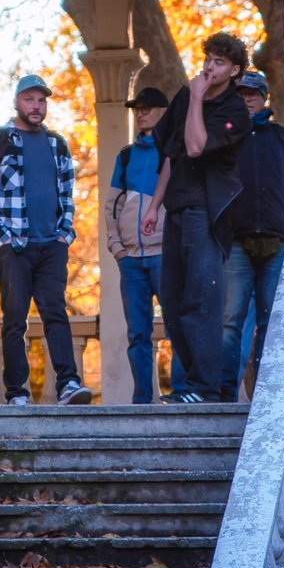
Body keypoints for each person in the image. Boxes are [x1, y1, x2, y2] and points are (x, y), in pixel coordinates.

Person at [142, 32, 251, 404]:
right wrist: (154, 206)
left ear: (234, 71)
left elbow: (194, 145)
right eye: (208, 59)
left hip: (206, 212)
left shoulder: (235, 111)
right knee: (173, 303)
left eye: (219, 62)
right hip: (176, 209)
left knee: (201, 301)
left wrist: (195, 100)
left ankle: (204, 388)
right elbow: (173, 155)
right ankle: (191, 385)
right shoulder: (186, 96)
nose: (209, 68)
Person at [0, 74, 92, 406]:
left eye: (41, 100)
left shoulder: (57, 144)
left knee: (56, 313)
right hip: (13, 247)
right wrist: (1, 238)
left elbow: (67, 195)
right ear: (16, 101)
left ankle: (68, 384)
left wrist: (64, 234)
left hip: (51, 246)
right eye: (29, 99)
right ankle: (17, 392)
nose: (36, 106)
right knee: (15, 319)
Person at [104, 87, 186, 403]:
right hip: (131, 260)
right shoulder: (126, 156)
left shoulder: (175, 152)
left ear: (163, 112)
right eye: (136, 108)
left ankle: (181, 391)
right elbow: (111, 205)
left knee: (176, 326)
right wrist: (117, 248)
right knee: (137, 333)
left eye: (147, 108)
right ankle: (142, 399)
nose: (140, 113)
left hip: (164, 255)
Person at [219, 70, 284, 402]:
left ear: (264, 98)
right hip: (236, 239)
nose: (247, 99)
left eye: (253, 94)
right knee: (230, 320)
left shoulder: (282, 138)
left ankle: (263, 392)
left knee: (269, 320)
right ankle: (224, 392)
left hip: (276, 239)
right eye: (241, 94)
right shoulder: (225, 137)